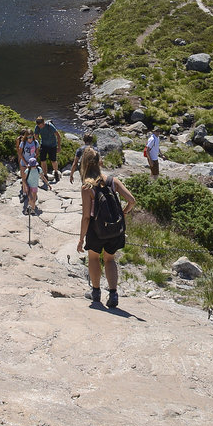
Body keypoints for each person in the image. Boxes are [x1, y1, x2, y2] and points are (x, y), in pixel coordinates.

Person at [76, 147, 135, 309]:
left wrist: (81, 238)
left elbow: (86, 216)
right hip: (114, 229)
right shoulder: (112, 181)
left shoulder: (87, 187)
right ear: (99, 162)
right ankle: (113, 293)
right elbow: (132, 200)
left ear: (85, 164)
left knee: (94, 258)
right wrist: (123, 214)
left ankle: (96, 293)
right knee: (110, 259)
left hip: (96, 230)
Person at [35, 115, 62, 185]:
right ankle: (45, 175)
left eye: (41, 125)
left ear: (43, 123)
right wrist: (36, 147)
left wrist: (59, 147)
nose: (40, 127)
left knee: (53, 160)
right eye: (39, 126)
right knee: (42, 160)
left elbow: (58, 136)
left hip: (52, 145)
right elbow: (36, 137)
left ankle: (56, 172)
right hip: (43, 145)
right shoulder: (37, 127)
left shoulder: (50, 126)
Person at [20, 130, 40, 214]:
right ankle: (25, 193)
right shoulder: (23, 143)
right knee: (24, 179)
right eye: (28, 137)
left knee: (30, 178)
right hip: (24, 163)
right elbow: (20, 153)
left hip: (32, 163)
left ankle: (30, 194)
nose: (30, 139)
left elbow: (37, 152)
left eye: (31, 137)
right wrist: (25, 162)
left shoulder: (35, 143)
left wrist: (34, 160)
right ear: (26, 137)